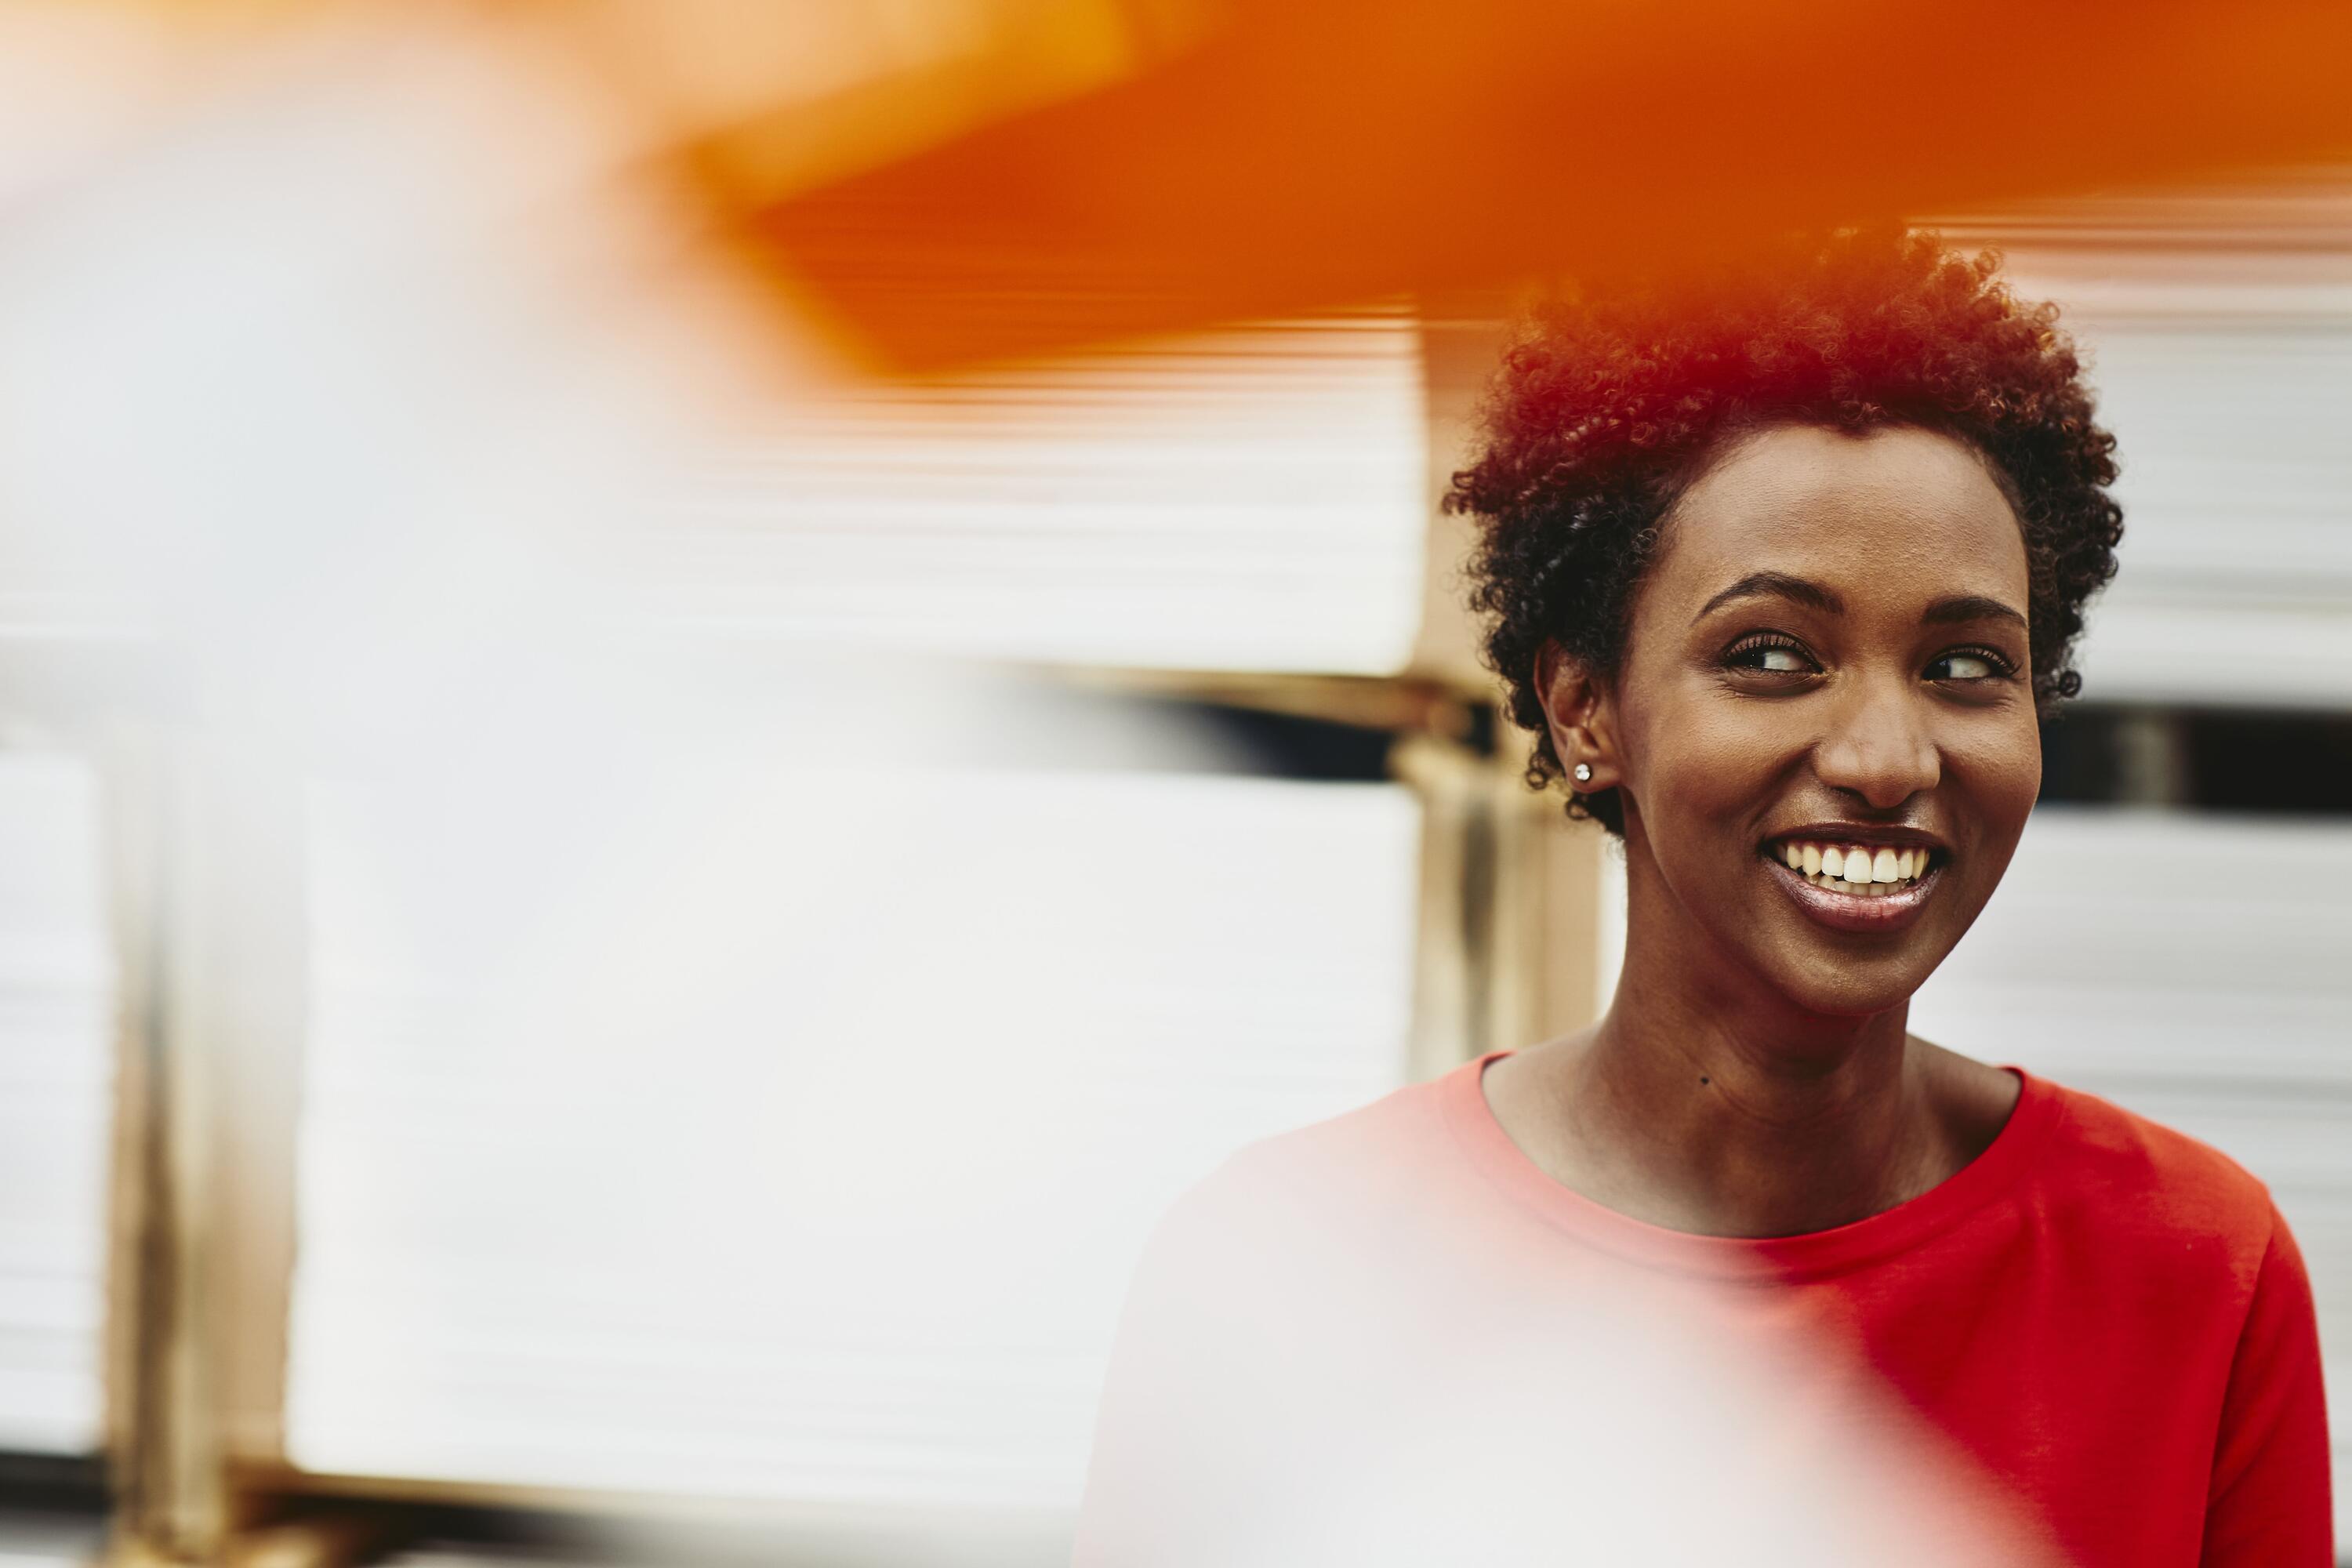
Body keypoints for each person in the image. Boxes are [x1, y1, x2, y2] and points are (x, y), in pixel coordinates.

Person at [1072, 228, 2332, 1566]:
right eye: (1772, 654)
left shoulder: (2195, 1269)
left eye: (1967, 665)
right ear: (1583, 710)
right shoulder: (1285, 1275)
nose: (1888, 759)